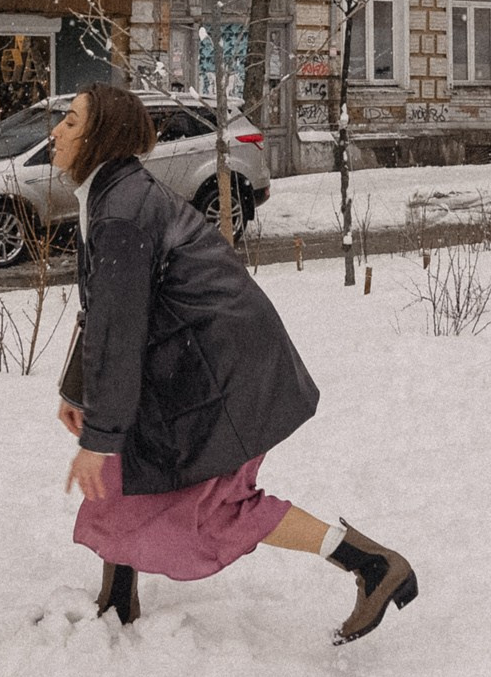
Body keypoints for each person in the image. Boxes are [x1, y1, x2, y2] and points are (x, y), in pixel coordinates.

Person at [52, 85, 418, 642]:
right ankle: (118, 598)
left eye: (71, 122)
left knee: (218, 506)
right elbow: (108, 311)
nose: (55, 132)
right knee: (127, 469)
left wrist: (100, 436)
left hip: (221, 368)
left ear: (100, 137)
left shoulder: (121, 210)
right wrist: (82, 395)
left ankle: (372, 565)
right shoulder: (111, 194)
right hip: (199, 357)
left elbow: (119, 328)